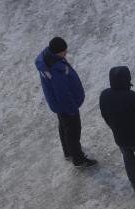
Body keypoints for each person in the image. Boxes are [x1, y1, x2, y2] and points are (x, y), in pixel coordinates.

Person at [34, 37, 97, 167]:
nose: (66, 52)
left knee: (64, 126)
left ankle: (68, 151)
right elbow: (62, 93)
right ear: (57, 52)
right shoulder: (55, 70)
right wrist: (72, 109)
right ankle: (78, 159)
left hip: (59, 105)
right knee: (73, 131)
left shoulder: (48, 58)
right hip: (66, 106)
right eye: (64, 50)